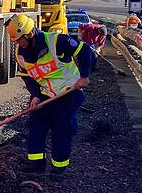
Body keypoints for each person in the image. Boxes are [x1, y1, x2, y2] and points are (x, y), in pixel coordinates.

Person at [5, 13, 96, 178]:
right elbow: (27, 77)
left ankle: (59, 168)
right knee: (36, 125)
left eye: (19, 40)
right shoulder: (21, 54)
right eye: (16, 41)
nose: (18, 44)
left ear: (30, 33)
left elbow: (84, 50)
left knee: (61, 128)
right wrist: (35, 95)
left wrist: (84, 76)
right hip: (45, 94)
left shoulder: (56, 41)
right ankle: (37, 164)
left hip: (69, 92)